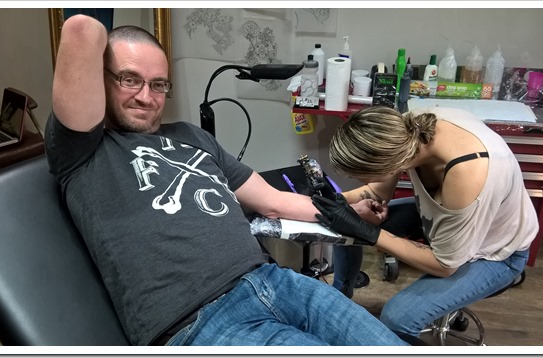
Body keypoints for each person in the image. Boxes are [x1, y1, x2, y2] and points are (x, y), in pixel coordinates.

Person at [44, 14, 409, 346]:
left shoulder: (192, 135)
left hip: (277, 282)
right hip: (201, 322)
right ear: (100, 77)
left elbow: (273, 200)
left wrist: (349, 208)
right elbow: (80, 28)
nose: (146, 96)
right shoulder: (82, 150)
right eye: (129, 79)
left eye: (158, 84)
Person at [312, 106, 538, 337]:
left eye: (360, 175)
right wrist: (337, 200)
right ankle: (340, 294)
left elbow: (445, 265)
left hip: (498, 252)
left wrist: (370, 234)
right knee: (345, 226)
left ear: (389, 164)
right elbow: (378, 192)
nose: (358, 181)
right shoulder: (406, 130)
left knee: (396, 318)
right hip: (447, 217)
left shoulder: (467, 174)